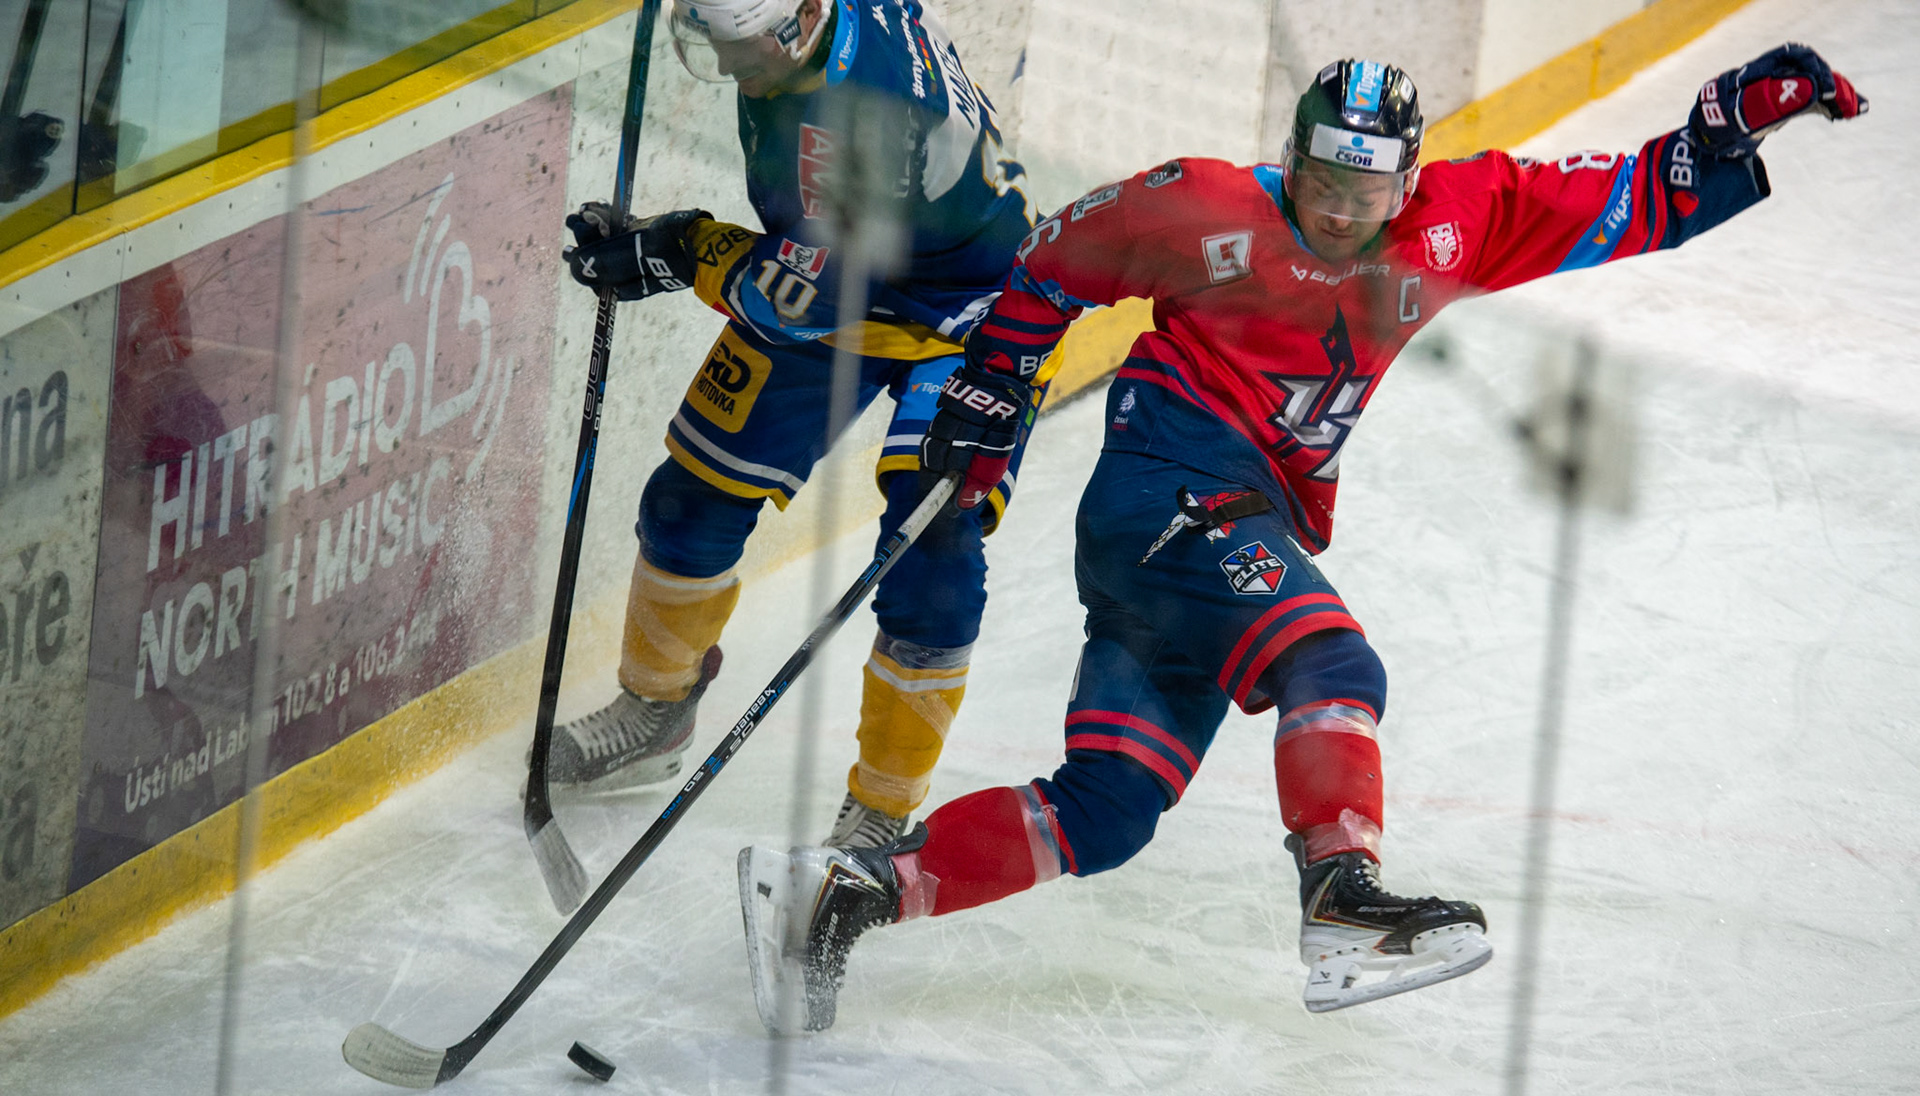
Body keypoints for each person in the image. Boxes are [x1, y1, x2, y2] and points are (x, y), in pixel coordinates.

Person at [738, 48, 1867, 1031]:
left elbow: (1618, 200)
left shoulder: (1453, 223)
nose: (1337, 209)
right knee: (1331, 661)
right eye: (1322, 180)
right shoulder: (1206, 207)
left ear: (1406, 181)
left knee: (1108, 808)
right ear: (1292, 157)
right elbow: (1049, 261)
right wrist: (993, 381)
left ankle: (840, 897)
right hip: (1166, 491)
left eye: (1365, 188)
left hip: (1206, 538)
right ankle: (1340, 897)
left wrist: (1723, 132)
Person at [549, 0, 1048, 850]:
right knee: (688, 501)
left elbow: (796, 299)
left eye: (745, 51)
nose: (729, 66)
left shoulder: (866, 122)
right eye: (717, 44)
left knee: (933, 550)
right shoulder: (805, 32)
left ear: (804, 20)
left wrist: (678, 247)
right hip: (837, 267)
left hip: (976, 313)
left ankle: (881, 814)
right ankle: (655, 713)